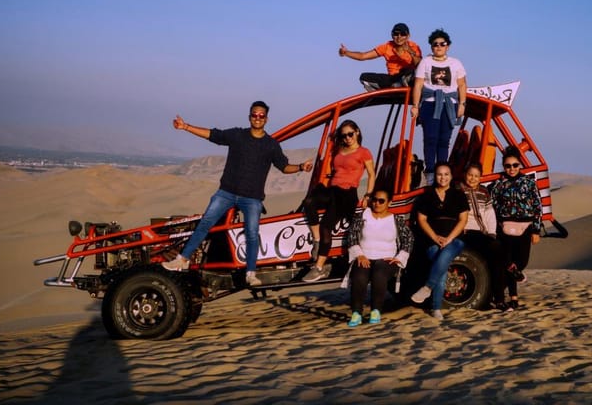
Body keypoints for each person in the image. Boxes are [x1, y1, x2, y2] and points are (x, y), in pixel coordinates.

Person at [162, 102, 313, 286]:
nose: (257, 118)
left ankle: (250, 272)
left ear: (266, 119)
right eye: (254, 115)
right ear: (249, 117)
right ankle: (182, 259)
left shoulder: (271, 145)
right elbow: (213, 135)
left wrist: (300, 167)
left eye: (261, 115)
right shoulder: (237, 135)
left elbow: (283, 166)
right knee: (205, 223)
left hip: (252, 198)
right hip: (226, 192)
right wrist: (186, 127)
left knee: (251, 233)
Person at [302, 119, 375, 282]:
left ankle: (319, 267)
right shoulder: (339, 149)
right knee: (308, 202)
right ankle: (316, 240)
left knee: (326, 225)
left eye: (350, 134)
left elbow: (371, 174)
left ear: (357, 132)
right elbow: (331, 145)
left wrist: (368, 194)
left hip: (347, 193)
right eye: (344, 135)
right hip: (333, 190)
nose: (347, 138)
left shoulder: (364, 152)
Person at [345, 189, 414, 327]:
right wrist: (359, 254)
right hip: (364, 256)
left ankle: (376, 310)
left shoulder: (396, 220)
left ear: (389, 202)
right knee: (359, 276)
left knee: (379, 273)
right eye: (374, 200)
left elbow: (408, 239)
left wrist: (400, 257)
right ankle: (356, 313)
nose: (377, 203)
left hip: (387, 258)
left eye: (381, 201)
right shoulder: (362, 216)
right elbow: (352, 237)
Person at [410, 162, 468, 320]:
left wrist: (449, 239)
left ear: (451, 176)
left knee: (443, 256)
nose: (443, 177)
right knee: (440, 262)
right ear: (435, 176)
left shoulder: (458, 195)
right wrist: (435, 237)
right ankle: (436, 308)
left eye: (446, 174)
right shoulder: (426, 196)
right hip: (431, 239)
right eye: (439, 174)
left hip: (454, 239)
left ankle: (428, 288)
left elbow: (463, 220)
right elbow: (421, 219)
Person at [488, 147, 543, 311]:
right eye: (507, 166)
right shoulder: (497, 184)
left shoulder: (529, 182)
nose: (511, 169)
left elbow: (537, 206)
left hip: (525, 227)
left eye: (515, 165)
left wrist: (536, 230)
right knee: (510, 263)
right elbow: (492, 207)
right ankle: (513, 298)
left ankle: (497, 293)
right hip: (505, 229)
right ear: (503, 166)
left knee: (521, 262)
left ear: (520, 165)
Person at [410, 29, 467, 185]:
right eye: (435, 44)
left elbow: (462, 85)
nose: (439, 46)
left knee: (444, 140)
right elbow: (418, 84)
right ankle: (430, 173)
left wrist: (462, 104)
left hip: (450, 104)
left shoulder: (456, 63)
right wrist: (415, 105)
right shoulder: (426, 62)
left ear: (447, 46)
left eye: (442, 44)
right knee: (430, 138)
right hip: (430, 102)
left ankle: (442, 174)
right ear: (431, 47)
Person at [458, 163, 508, 311]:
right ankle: (495, 298)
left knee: (498, 255)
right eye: (470, 175)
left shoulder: (484, 192)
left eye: (476, 176)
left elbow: (489, 214)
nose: (473, 179)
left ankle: (498, 298)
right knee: (496, 250)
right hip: (467, 231)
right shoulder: (457, 191)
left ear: (480, 178)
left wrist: (492, 233)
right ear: (465, 175)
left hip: (484, 232)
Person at [338, 22, 422, 91]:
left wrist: (411, 52)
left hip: (408, 77)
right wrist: (346, 53)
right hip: (393, 79)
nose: (399, 37)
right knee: (364, 77)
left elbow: (421, 65)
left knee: (412, 72)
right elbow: (363, 56)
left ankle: (401, 83)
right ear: (392, 35)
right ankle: (394, 86)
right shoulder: (386, 46)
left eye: (402, 34)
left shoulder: (413, 46)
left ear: (408, 36)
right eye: (396, 34)